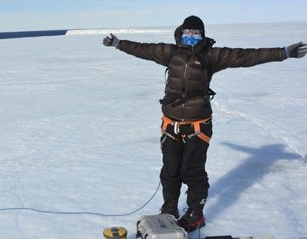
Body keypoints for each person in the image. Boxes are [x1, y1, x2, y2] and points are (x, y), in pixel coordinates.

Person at [102, 15, 307, 232]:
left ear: (202, 34)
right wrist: (118, 44)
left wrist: (284, 52)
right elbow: (142, 49)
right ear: (181, 32)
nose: (191, 36)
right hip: (170, 124)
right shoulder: (170, 53)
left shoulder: (212, 55)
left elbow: (247, 56)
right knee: (170, 170)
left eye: (196, 33)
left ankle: (195, 214)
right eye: (187, 32)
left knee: (193, 172)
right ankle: (169, 208)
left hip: (198, 126)